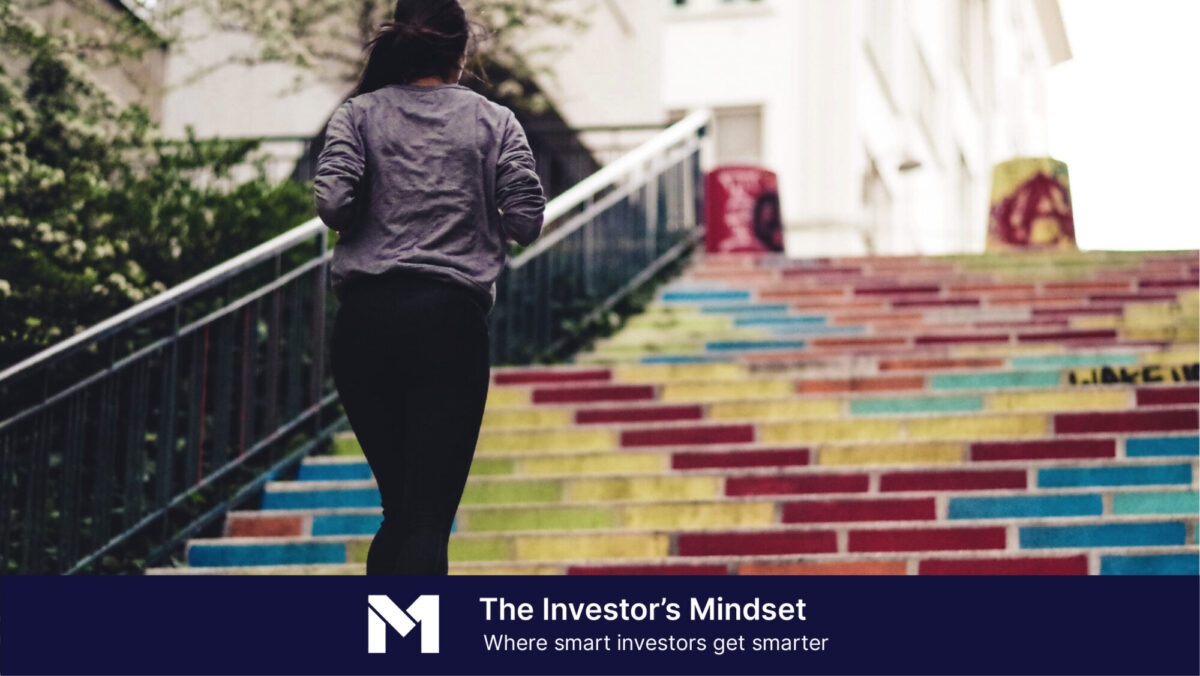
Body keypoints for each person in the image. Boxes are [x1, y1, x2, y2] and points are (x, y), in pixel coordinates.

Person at [314, 0, 545, 575]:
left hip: (364, 326)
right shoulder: (494, 121)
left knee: (399, 510)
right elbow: (526, 221)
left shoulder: (357, 114)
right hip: (446, 324)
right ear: (461, 51)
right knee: (426, 519)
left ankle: (389, 646)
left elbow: (332, 202)